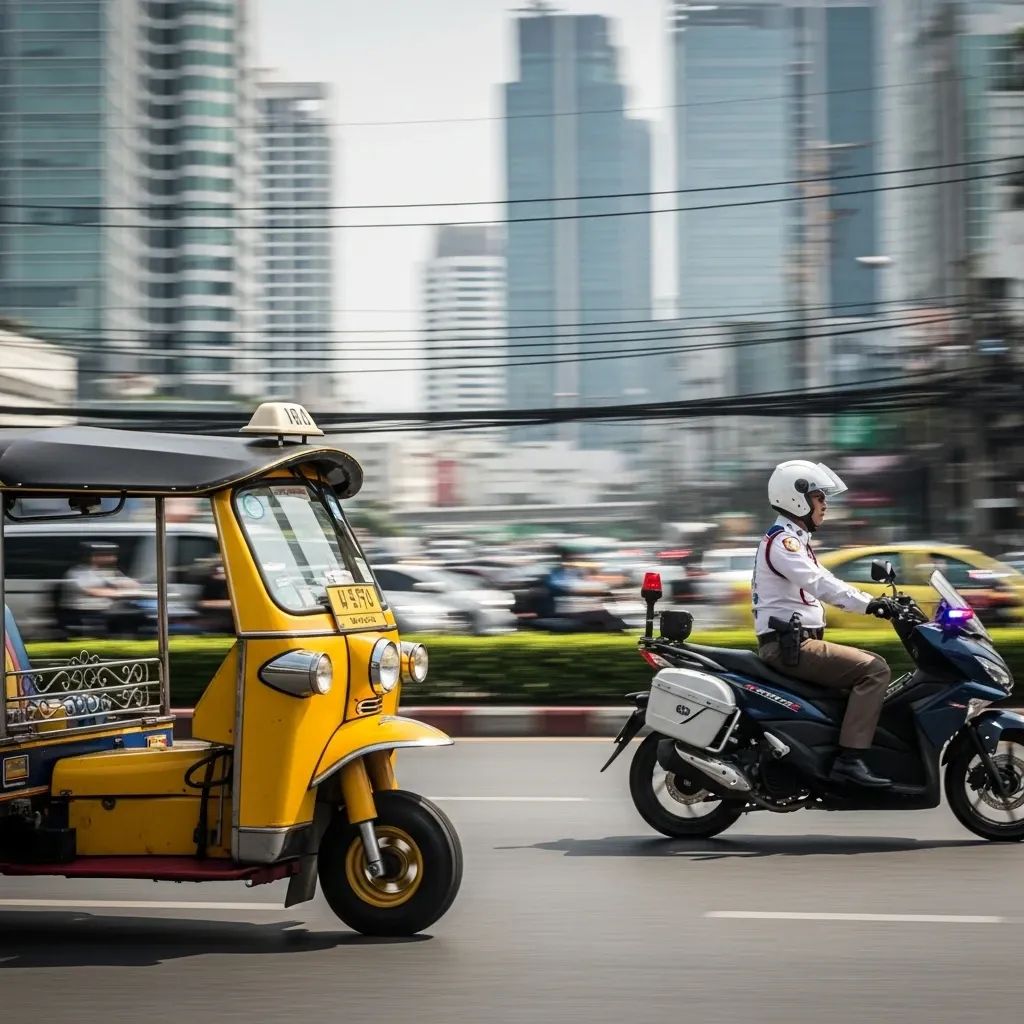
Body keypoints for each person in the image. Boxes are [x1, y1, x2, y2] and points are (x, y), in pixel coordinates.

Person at [751, 460, 893, 788]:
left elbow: (824, 579)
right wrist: (870, 604)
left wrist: (877, 600)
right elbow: (820, 584)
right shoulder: (783, 542)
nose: (825, 505)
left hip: (798, 643)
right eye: (819, 497)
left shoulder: (794, 540)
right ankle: (849, 762)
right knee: (875, 670)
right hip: (791, 647)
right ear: (796, 499)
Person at [61, 541, 139, 637]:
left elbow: (129, 583)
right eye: (106, 555)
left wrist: (128, 584)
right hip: (85, 613)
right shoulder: (79, 572)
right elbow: (93, 591)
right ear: (93, 557)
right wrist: (119, 593)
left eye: (112, 555)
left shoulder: (106, 571)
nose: (113, 558)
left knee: (136, 613)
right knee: (128, 617)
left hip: (104, 610)